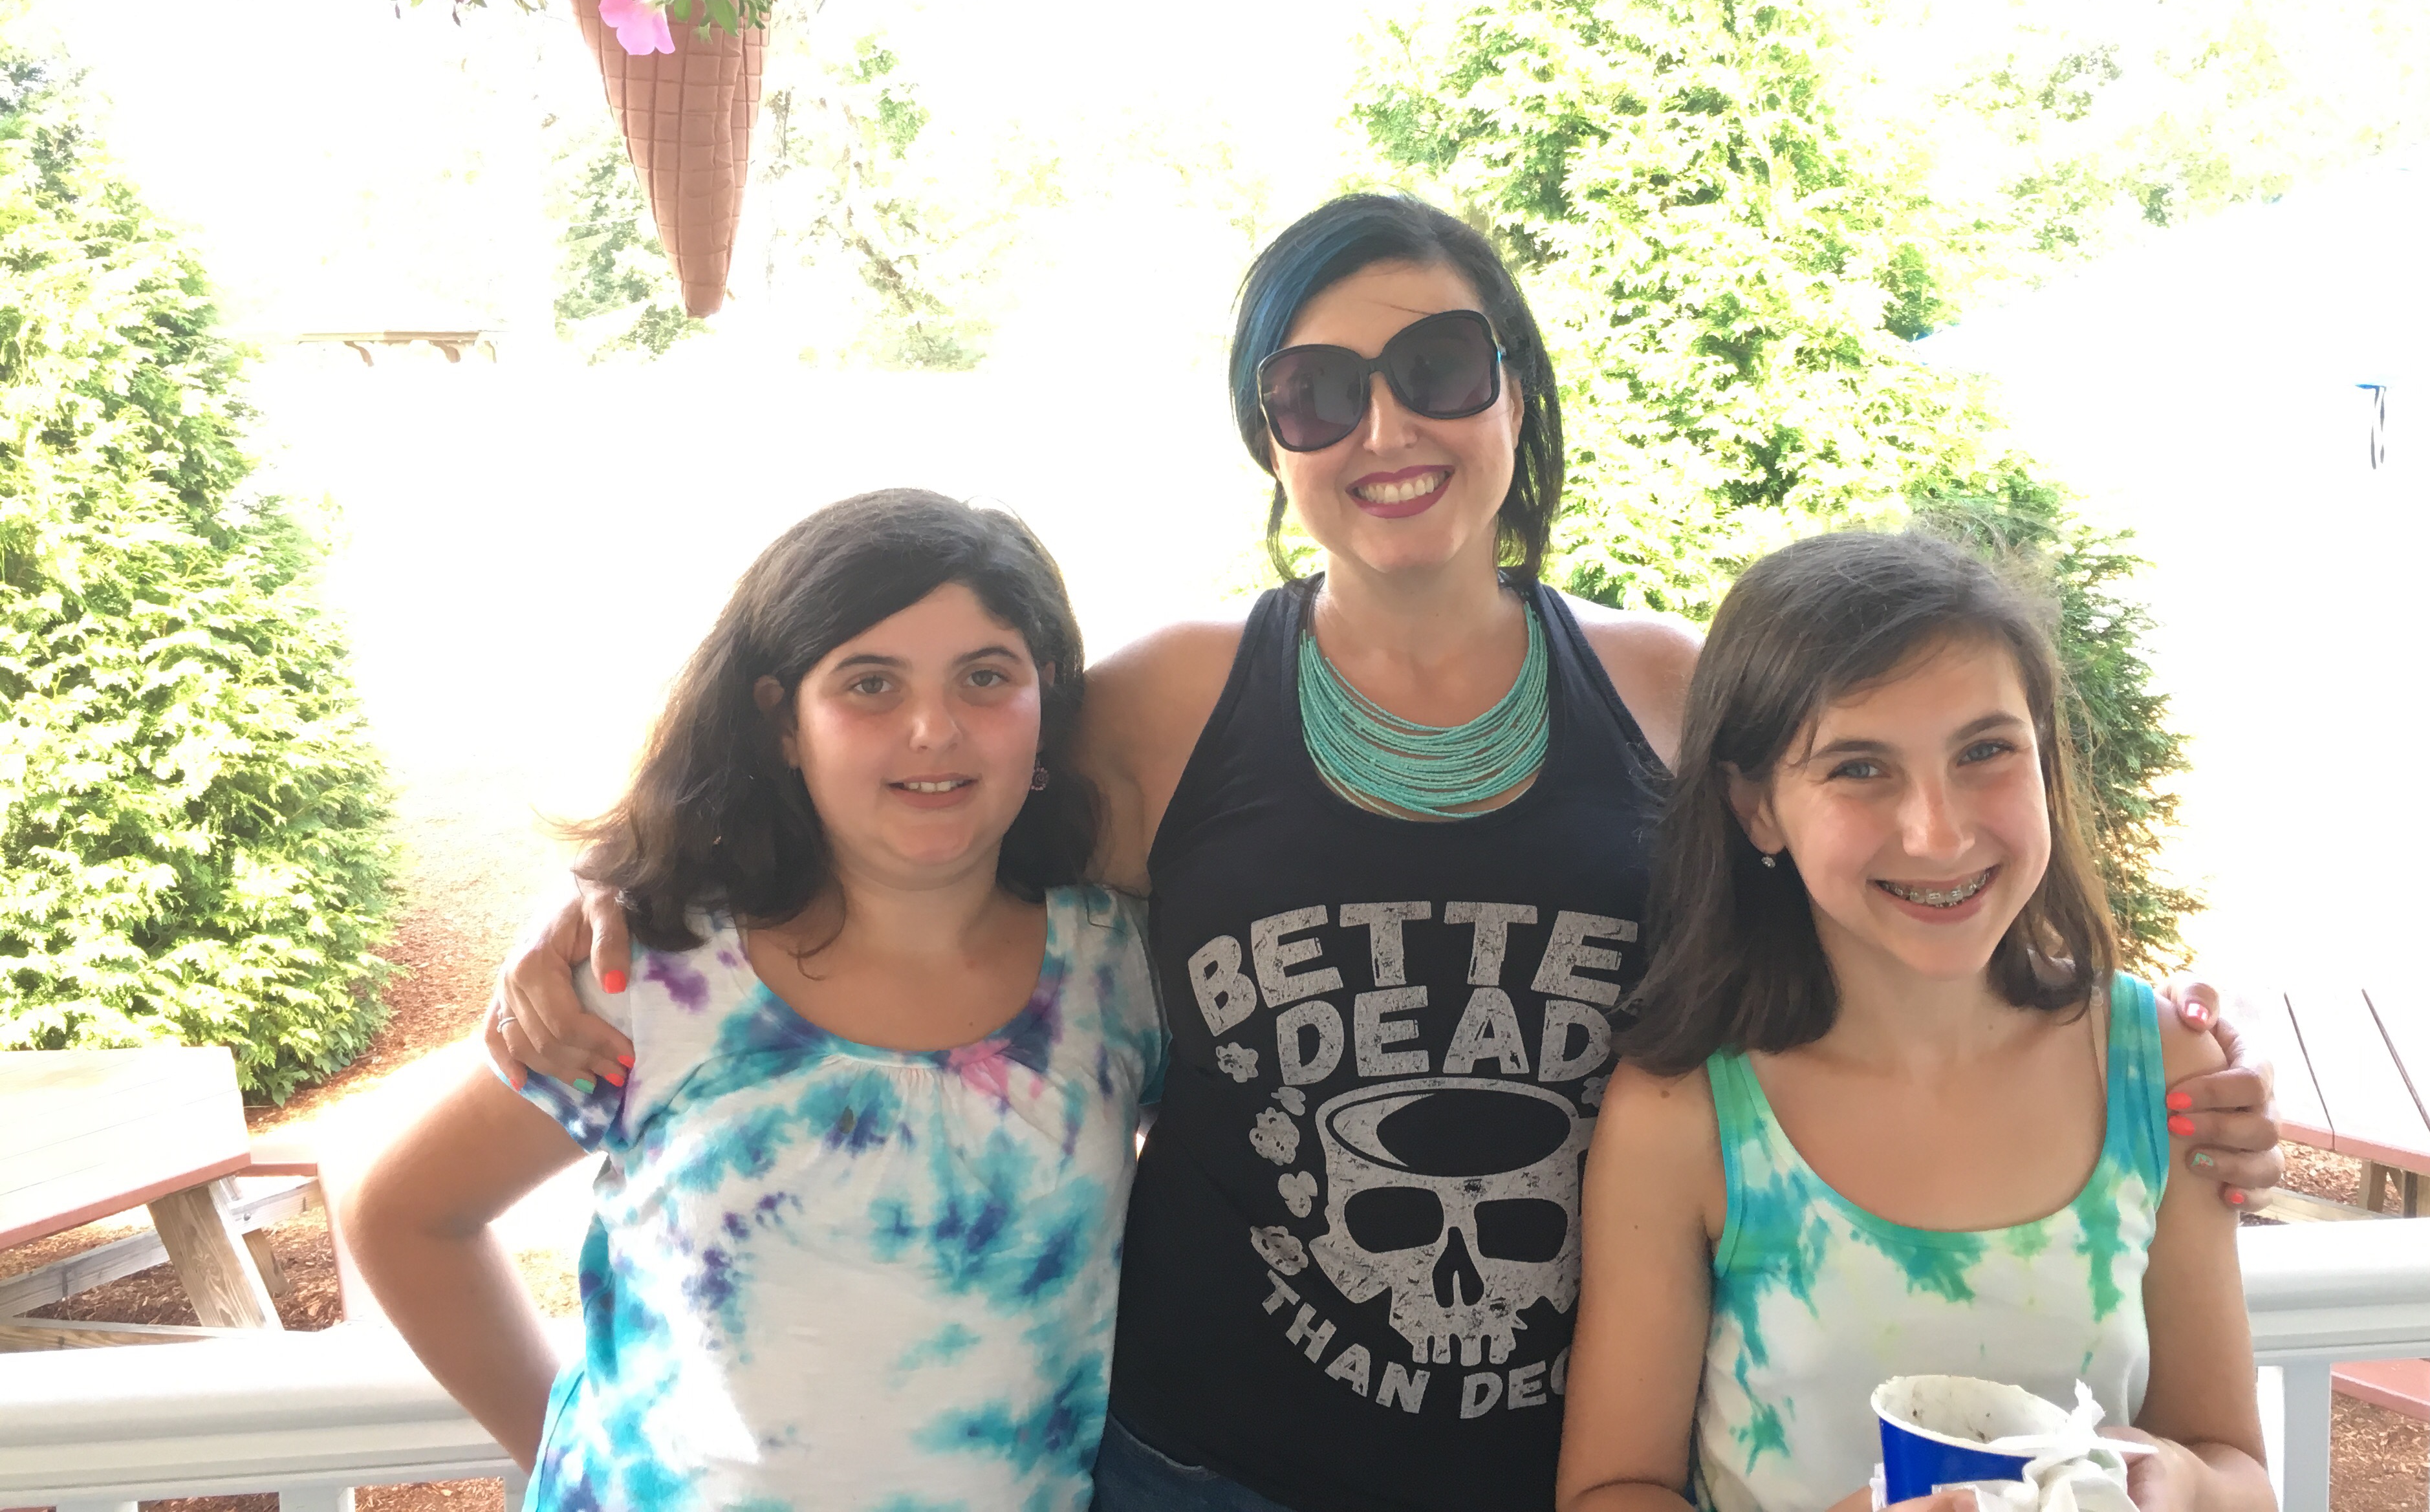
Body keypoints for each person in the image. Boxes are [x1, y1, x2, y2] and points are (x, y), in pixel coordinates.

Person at [490, 195, 2280, 1512]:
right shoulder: (1169, 702)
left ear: (1517, 394)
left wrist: (2157, 1053)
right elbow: (903, 803)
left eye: (1437, 368)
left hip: (1578, 1466)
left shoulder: (1669, 694)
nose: (1386, 429)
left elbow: (1905, 896)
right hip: (1207, 1468)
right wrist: (631, 892)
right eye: (1317, 392)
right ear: (1270, 440)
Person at [343, 491, 1166, 1512]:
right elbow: (406, 1215)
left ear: (1047, 704)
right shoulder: (653, 974)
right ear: (783, 724)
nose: (934, 729)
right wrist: (584, 1464)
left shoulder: (1123, 974)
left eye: (986, 677)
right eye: (870, 683)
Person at [1555, 530, 2272, 1512]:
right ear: (1757, 808)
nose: (1938, 833)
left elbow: (2236, 1466)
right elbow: (1611, 1489)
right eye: (1860, 768)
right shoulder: (1684, 1113)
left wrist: (2183, 1484)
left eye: (1985, 751)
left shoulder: (2164, 1070)